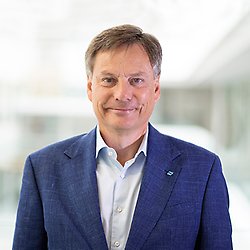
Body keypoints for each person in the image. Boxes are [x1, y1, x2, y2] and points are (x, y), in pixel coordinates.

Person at [13, 24, 232, 250]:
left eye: (136, 80)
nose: (122, 94)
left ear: (155, 89)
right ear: (90, 88)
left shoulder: (203, 170)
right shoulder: (43, 168)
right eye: (108, 80)